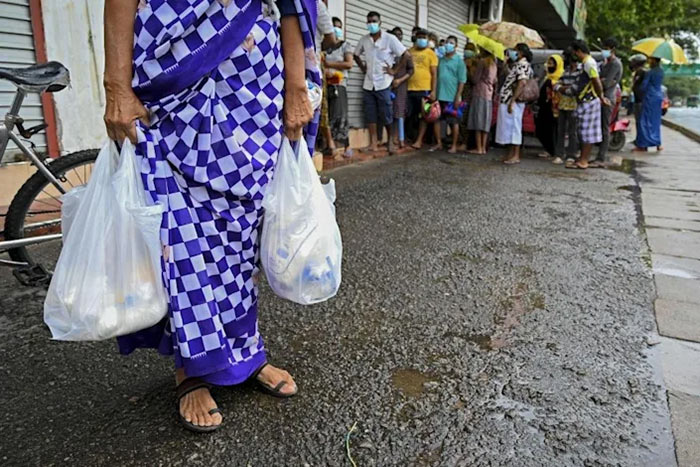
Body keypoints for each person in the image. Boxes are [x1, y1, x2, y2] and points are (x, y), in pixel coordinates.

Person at [103, 0, 317, 432]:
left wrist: (297, 87)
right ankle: (192, 367)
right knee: (177, 229)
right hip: (171, 63)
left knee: (244, 228)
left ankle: (245, 350)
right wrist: (117, 86)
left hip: (252, 80)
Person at [354, 11, 408, 154]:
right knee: (370, 114)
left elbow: (406, 55)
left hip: (383, 83)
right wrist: (363, 67)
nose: (371, 24)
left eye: (374, 21)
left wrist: (395, 71)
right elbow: (356, 55)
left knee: (386, 114)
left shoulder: (390, 39)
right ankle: (373, 144)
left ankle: (390, 141)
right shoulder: (364, 39)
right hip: (368, 83)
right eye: (369, 21)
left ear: (380, 23)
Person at [567, 40, 610, 169]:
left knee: (587, 132)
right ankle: (582, 159)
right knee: (583, 131)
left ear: (578, 51)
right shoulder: (586, 63)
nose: (575, 55)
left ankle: (584, 160)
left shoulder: (589, 63)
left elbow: (596, 81)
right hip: (586, 101)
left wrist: (601, 97)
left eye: (575, 52)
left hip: (590, 101)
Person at [496, 43, 533, 165]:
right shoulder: (517, 65)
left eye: (515, 50)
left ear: (521, 52)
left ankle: (515, 155)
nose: (513, 52)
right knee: (508, 128)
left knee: (514, 128)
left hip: (513, 101)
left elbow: (521, 83)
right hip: (508, 100)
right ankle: (509, 154)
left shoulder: (523, 65)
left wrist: (512, 100)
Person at [431, 35, 467, 153]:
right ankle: (439, 143)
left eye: (451, 43)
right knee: (436, 119)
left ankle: (454, 145)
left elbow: (462, 80)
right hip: (439, 94)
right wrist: (434, 91)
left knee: (453, 122)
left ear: (456, 46)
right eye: (447, 42)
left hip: (452, 96)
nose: (448, 44)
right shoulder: (440, 60)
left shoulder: (459, 62)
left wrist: (458, 96)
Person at [324, 17, 354, 154]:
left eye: (338, 26)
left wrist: (329, 65)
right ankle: (330, 146)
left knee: (340, 115)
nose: (336, 29)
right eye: (333, 26)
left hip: (339, 85)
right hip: (325, 85)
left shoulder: (345, 45)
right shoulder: (325, 47)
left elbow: (348, 64)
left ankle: (346, 146)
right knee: (328, 116)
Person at [407, 29, 438, 148]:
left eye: (423, 37)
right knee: (409, 114)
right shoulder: (409, 52)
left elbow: (434, 74)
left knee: (423, 116)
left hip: (424, 89)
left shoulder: (431, 54)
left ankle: (419, 140)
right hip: (409, 88)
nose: (421, 39)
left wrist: (433, 91)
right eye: (419, 37)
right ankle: (408, 137)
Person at [595, 37, 623, 163]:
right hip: (601, 98)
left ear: (613, 50)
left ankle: (601, 157)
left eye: (606, 49)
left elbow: (606, 83)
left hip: (607, 99)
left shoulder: (615, 64)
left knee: (604, 128)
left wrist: (599, 80)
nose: (603, 51)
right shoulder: (605, 62)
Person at [552, 51, 581, 164]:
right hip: (563, 104)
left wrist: (562, 88)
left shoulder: (580, 71)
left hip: (574, 104)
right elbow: (557, 85)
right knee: (561, 130)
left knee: (572, 131)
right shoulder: (566, 71)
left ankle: (571, 154)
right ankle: (559, 154)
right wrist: (564, 88)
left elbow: (574, 89)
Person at [466, 48, 497, 154]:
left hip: (479, 92)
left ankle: (478, 148)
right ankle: (483, 148)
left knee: (478, 120)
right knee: (485, 121)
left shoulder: (482, 63)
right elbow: (495, 80)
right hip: (489, 93)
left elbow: (475, 79)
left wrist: (470, 69)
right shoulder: (494, 64)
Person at [316, 0, 337, 155]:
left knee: (319, 106)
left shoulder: (317, 5)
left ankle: (330, 143)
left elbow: (331, 39)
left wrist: (315, 48)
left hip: (313, 62)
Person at [389, 27, 414, 149]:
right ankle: (390, 138)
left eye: (400, 34)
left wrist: (400, 80)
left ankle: (401, 139)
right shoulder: (388, 50)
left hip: (401, 85)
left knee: (399, 112)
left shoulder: (406, 53)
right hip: (388, 85)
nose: (398, 37)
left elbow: (411, 70)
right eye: (396, 34)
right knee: (390, 111)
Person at [535, 54, 563, 158]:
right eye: (548, 63)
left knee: (551, 129)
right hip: (543, 107)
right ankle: (548, 148)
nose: (549, 65)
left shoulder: (558, 78)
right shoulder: (547, 77)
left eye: (551, 64)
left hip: (553, 108)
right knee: (541, 129)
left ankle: (552, 150)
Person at [634, 57, 664, 152]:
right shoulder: (661, 71)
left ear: (654, 61)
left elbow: (643, 86)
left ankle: (643, 145)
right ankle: (658, 143)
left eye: (650, 60)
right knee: (656, 121)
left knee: (645, 121)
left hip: (649, 97)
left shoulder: (650, 72)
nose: (649, 62)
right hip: (658, 96)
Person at [630, 54, 648, 147]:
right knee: (638, 121)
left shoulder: (642, 72)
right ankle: (638, 140)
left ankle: (642, 142)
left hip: (641, 100)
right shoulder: (638, 72)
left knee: (640, 121)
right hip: (638, 99)